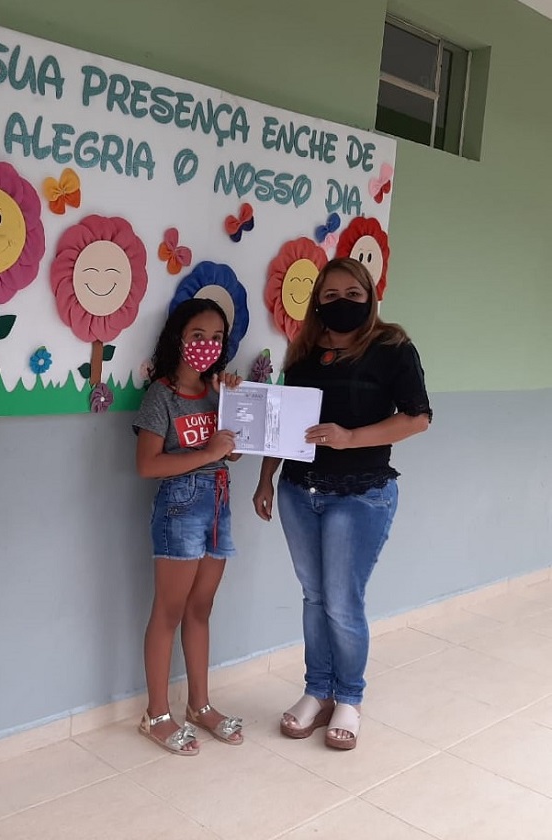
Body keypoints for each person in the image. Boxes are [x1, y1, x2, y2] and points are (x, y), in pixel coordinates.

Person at [252, 256, 431, 750]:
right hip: (298, 491)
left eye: (353, 294)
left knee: (343, 601)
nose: (342, 303)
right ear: (316, 303)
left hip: (362, 493)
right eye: (330, 296)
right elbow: (281, 425)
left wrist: (350, 437)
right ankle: (317, 690)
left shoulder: (392, 348)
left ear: (370, 296)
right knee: (314, 597)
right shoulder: (304, 353)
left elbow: (418, 418)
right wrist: (266, 479)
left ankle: (349, 697)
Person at [133, 297, 244, 756]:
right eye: (199, 335)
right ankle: (157, 714)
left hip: (219, 503)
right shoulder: (162, 394)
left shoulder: (218, 391)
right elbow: (147, 465)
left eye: (216, 338)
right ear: (179, 337)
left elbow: (233, 451)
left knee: (200, 610)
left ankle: (200, 705)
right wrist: (208, 453)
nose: (207, 345)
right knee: (169, 611)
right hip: (180, 508)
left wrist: (235, 405)